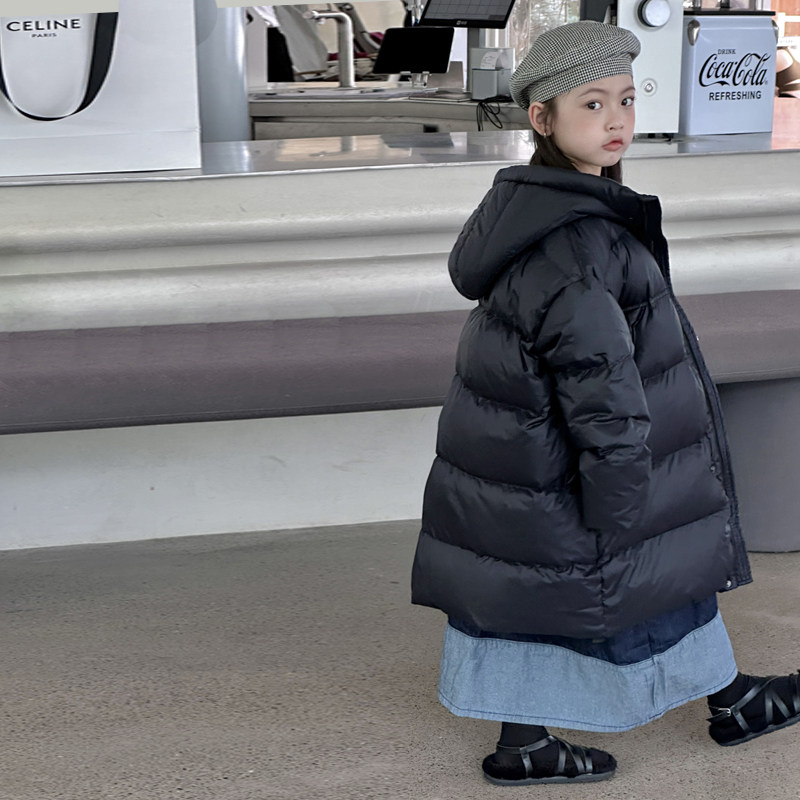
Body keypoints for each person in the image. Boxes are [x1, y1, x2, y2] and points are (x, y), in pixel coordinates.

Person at [410, 20, 800, 787]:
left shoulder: (540, 210)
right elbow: (600, 378)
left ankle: (721, 698)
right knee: (627, 577)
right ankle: (701, 706)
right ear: (542, 118)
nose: (617, 119)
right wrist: (624, 484)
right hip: (577, 461)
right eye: (592, 104)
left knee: (550, 590)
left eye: (626, 98)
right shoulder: (580, 240)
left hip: (531, 458)